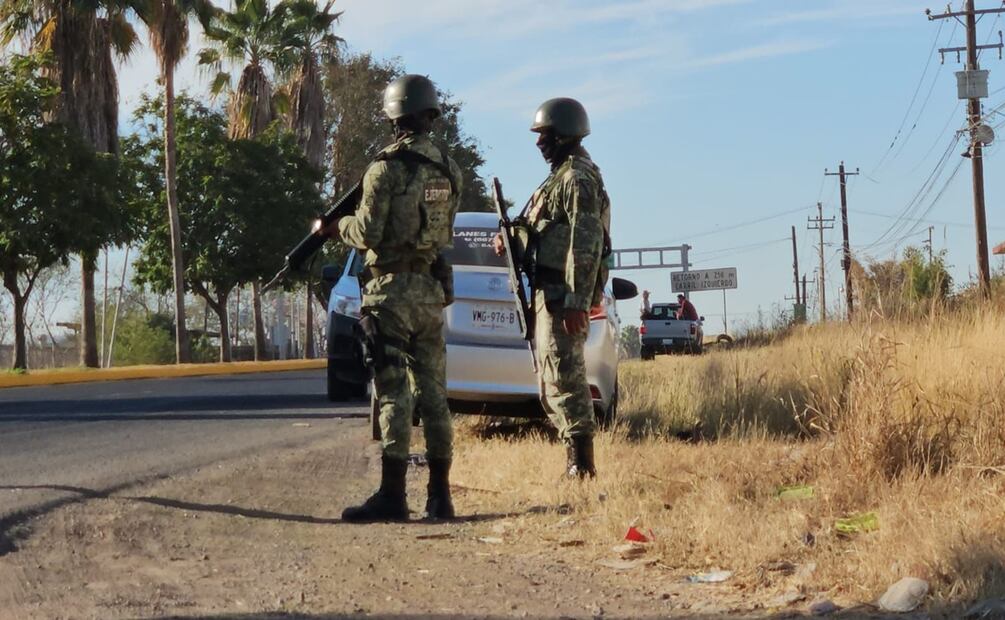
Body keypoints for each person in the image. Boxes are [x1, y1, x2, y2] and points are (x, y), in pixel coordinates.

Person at [326, 74, 463, 522]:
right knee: (435, 394)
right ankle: (441, 497)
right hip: (428, 292)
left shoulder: (384, 169)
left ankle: (393, 495)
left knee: (393, 393)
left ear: (392, 117)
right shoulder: (449, 170)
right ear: (429, 115)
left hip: (388, 293)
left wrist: (335, 227)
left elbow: (365, 232)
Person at [494, 97, 611, 479]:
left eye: (544, 135)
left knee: (566, 375)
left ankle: (581, 465)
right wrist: (511, 239)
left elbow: (586, 240)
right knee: (551, 379)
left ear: (563, 134)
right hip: (548, 291)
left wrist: (578, 301)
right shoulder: (557, 178)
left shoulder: (577, 178)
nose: (539, 143)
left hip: (564, 294)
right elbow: (539, 228)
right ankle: (573, 460)